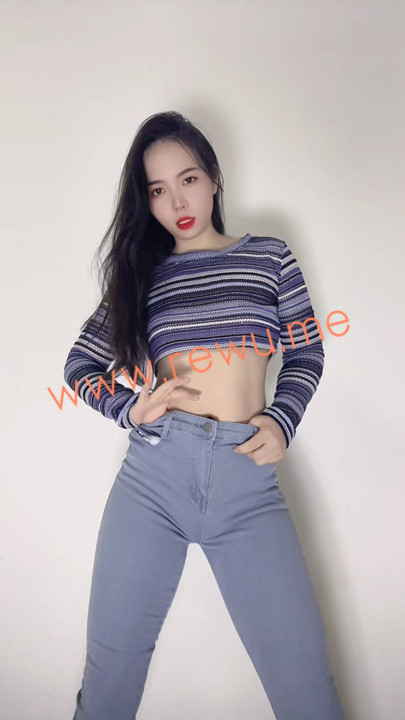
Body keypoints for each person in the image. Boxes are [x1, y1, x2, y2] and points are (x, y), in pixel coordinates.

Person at [65, 110, 346, 719]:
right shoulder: (143, 277)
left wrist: (282, 419)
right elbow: (79, 365)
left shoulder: (270, 257)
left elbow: (306, 350)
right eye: (157, 190)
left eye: (188, 179)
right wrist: (130, 408)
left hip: (247, 480)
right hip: (153, 481)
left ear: (215, 177)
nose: (176, 202)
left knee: (305, 686)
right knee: (109, 684)